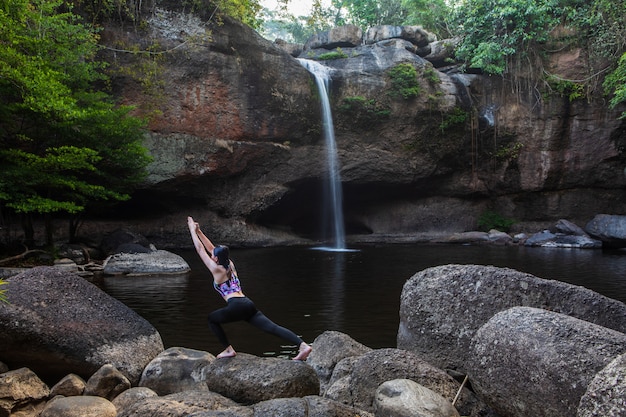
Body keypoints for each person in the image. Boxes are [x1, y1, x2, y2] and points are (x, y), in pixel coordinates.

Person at [187, 216, 313, 361]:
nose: (212, 253)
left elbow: (200, 249)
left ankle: (228, 349)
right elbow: (211, 249)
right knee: (272, 327)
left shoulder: (216, 269)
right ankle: (302, 345)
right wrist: (200, 232)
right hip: (247, 304)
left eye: (213, 255)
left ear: (215, 259)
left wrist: (192, 229)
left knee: (212, 319)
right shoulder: (230, 265)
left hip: (236, 305)